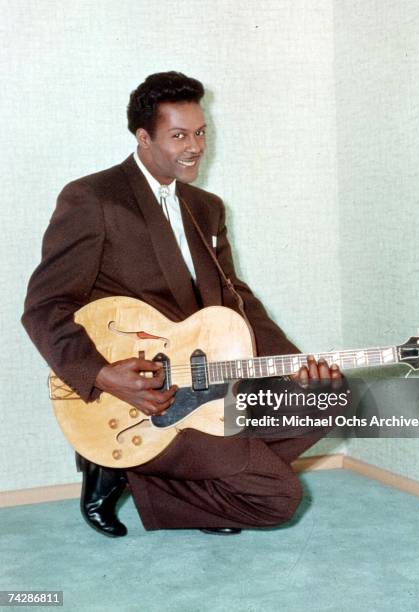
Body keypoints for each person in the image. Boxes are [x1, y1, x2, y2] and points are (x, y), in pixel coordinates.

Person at [22, 72, 343, 538]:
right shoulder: (93, 198)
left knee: (331, 399)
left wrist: (292, 364)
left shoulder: (207, 207)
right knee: (279, 498)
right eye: (178, 135)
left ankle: (142, 471)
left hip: (210, 383)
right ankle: (127, 458)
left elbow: (238, 300)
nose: (194, 146)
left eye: (200, 132)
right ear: (144, 137)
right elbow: (44, 305)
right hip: (144, 397)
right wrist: (101, 374)